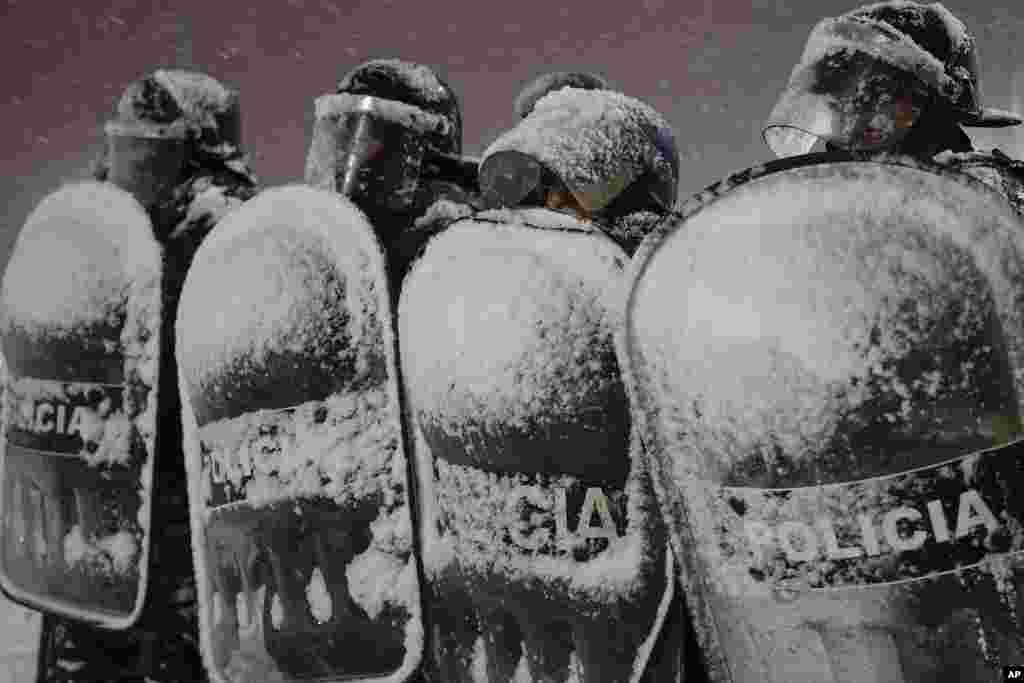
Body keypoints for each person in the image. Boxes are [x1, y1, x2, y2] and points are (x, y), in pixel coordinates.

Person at [35, 69, 258, 683]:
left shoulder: (230, 233)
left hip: (190, 512)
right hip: (102, 501)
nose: (135, 167)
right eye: (130, 148)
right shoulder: (100, 234)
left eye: (154, 152)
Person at [761, 0, 1024, 210]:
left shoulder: (990, 196)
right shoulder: (817, 210)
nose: (852, 120)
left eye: (877, 98)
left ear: (935, 110)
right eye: (840, 104)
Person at [305, 58, 483, 296]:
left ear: (429, 162)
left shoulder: (454, 250)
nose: (352, 158)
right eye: (341, 141)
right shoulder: (323, 243)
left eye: (374, 143)